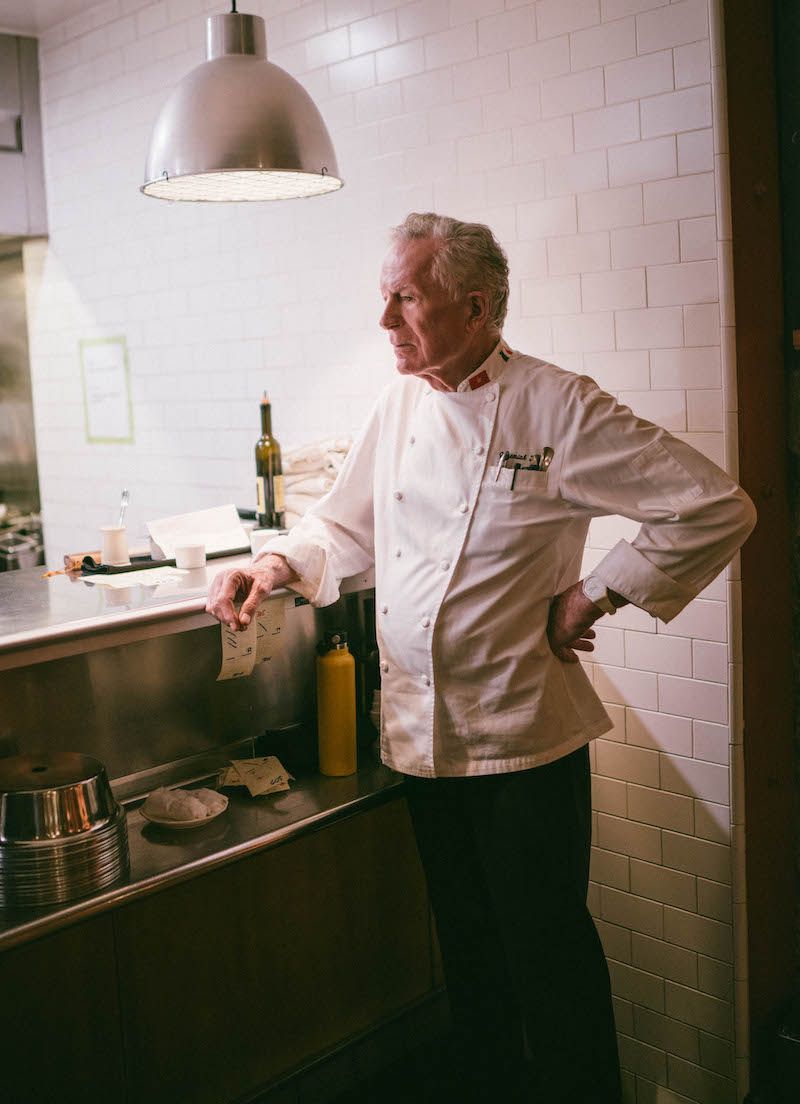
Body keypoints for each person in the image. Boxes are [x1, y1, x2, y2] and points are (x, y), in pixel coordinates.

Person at [207, 213, 756, 1103]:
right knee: (468, 957)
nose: (385, 320)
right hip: (421, 739)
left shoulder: (559, 406)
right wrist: (269, 566)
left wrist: (595, 592)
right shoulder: (400, 404)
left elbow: (716, 506)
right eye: (385, 297)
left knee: (549, 963)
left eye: (405, 298)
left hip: (524, 745)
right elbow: (345, 523)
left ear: (478, 306)